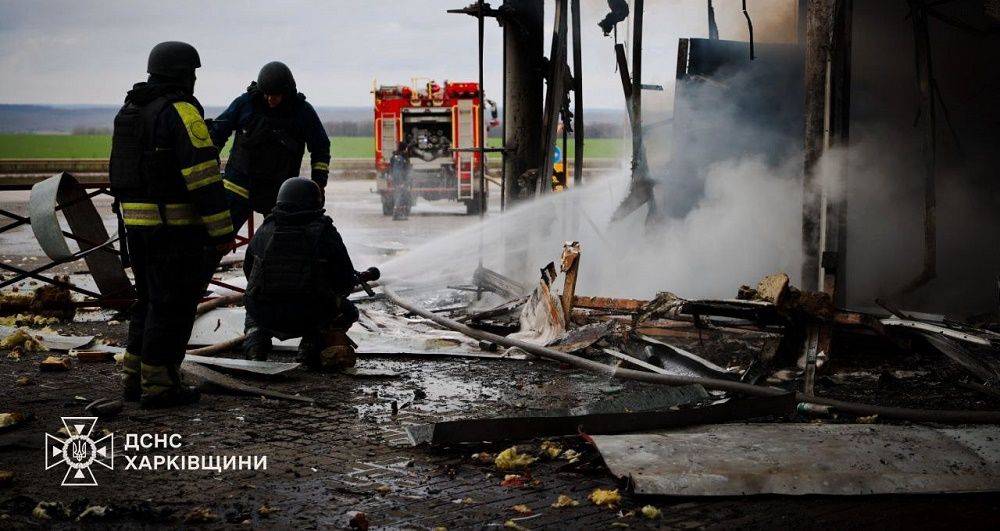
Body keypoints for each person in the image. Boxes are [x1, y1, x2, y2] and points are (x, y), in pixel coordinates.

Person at [109, 41, 235, 408]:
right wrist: (222, 233)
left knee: (147, 303)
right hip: (174, 231)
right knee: (172, 307)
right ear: (182, 74)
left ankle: (134, 379)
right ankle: (160, 386)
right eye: (192, 73)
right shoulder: (181, 111)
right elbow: (203, 178)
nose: (194, 79)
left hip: (136, 228)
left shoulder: (129, 110)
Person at [243, 177, 372, 370]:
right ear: (316, 202)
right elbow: (344, 282)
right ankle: (310, 348)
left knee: (253, 305)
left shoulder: (265, 229)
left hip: (266, 314)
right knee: (348, 311)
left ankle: (255, 348)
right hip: (309, 314)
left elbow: (249, 272)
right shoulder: (325, 232)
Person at [209, 61, 330, 233]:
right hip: (239, 188)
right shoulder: (246, 103)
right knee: (218, 237)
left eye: (276, 95)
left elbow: (320, 147)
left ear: (287, 93)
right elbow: (218, 132)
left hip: (280, 193)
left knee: (282, 243)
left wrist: (319, 183)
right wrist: (210, 162)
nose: (270, 99)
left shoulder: (302, 111)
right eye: (266, 94)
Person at [388, 141, 412, 220]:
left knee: (400, 196)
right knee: (400, 197)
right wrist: (401, 182)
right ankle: (397, 215)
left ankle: (399, 214)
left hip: (397, 180)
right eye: (406, 148)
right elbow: (399, 171)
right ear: (404, 148)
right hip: (400, 181)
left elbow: (392, 169)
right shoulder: (401, 158)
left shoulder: (395, 156)